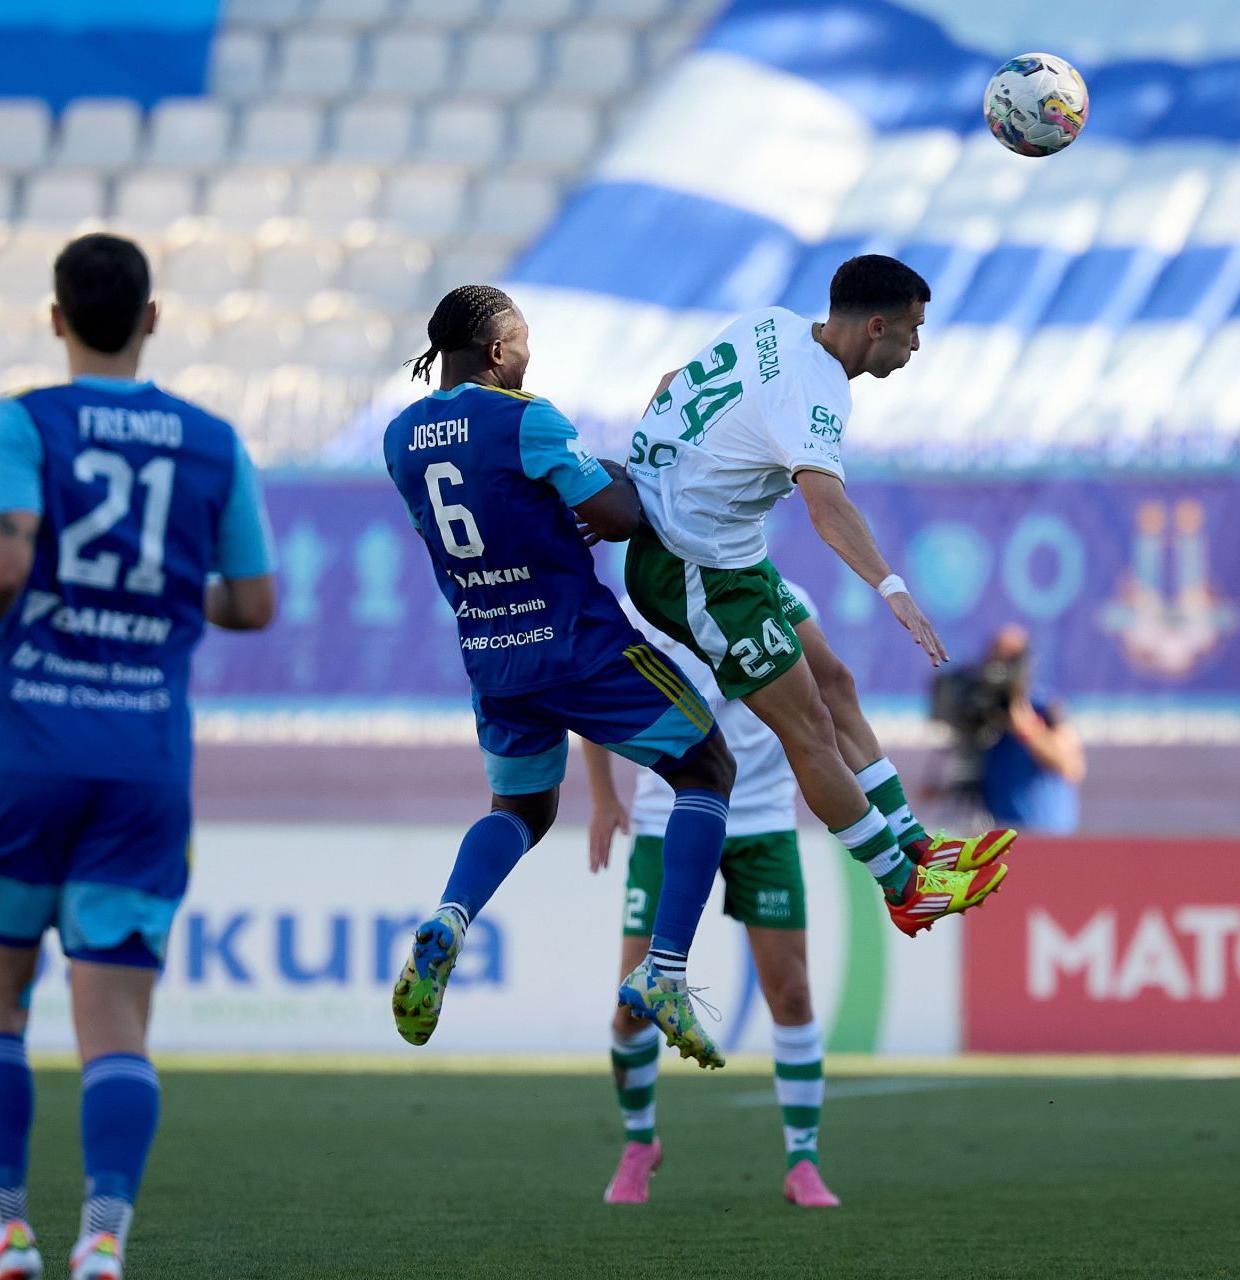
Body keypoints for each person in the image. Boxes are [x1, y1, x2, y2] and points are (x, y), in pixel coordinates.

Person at [0, 232, 277, 1280]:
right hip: (141, 761)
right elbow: (253, 601)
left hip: (23, 749)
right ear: (152, 318)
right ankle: (104, 1240)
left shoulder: (23, 420)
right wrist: (161, 596)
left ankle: (8, 1231)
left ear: (56, 318)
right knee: (114, 1016)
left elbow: (7, 550)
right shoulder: (213, 441)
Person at [383, 284, 738, 1072]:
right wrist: (623, 486)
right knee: (708, 766)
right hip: (578, 643)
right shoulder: (527, 417)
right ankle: (667, 970)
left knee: (522, 807)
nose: (530, 353)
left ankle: (450, 914)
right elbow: (614, 515)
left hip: (491, 652)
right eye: (525, 340)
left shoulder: (401, 437)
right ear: (500, 350)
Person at [623, 254, 1015, 938]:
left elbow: (669, 384)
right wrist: (894, 590)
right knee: (805, 725)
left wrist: (669, 470)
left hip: (730, 548)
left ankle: (919, 847)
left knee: (834, 681)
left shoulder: (771, 324)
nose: (916, 345)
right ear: (874, 327)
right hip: (691, 566)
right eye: (912, 331)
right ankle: (903, 887)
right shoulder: (819, 391)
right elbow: (828, 510)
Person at [585, 582, 840, 1209]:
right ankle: (640, 1143)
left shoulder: (777, 592)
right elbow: (590, 696)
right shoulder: (638, 601)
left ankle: (803, 1161)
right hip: (664, 820)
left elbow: (825, 689)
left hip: (762, 822)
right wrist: (603, 797)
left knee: (794, 993)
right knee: (632, 1005)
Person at [973, 625, 1085, 834]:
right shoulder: (985, 711)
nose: (1001, 665)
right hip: (999, 833)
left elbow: (1071, 766)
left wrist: (1028, 731)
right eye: (996, 654)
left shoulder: (1044, 706)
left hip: (1046, 834)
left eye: (1011, 657)